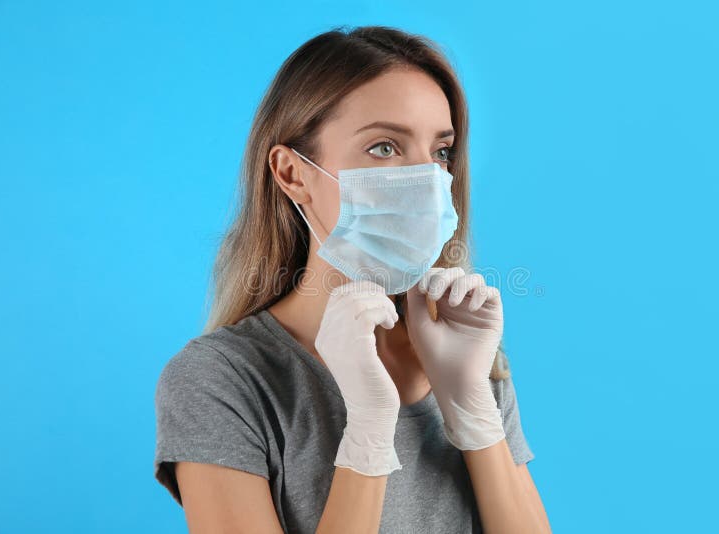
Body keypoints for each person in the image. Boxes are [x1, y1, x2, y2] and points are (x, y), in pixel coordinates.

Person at [153, 25, 551, 533]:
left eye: (441, 152)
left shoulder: (465, 352)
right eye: (384, 147)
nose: (426, 180)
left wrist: (472, 407)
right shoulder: (222, 380)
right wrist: (367, 425)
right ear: (293, 174)